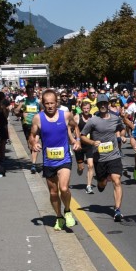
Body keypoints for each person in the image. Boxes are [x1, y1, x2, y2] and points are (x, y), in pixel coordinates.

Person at [27, 89, 80, 231]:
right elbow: (31, 135)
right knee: (53, 192)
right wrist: (34, 143)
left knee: (64, 188)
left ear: (56, 103)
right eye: (46, 104)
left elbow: (76, 127)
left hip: (64, 158)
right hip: (48, 160)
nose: (50, 106)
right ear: (43, 104)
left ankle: (67, 211)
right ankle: (58, 216)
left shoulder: (66, 115)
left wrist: (78, 141)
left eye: (52, 103)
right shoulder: (38, 118)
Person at [79, 94, 126, 222]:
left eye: (105, 103)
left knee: (117, 180)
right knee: (102, 183)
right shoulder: (93, 120)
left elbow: (122, 128)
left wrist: (122, 136)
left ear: (108, 104)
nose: (103, 106)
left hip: (114, 155)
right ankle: (101, 182)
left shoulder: (115, 118)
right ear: (98, 106)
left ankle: (117, 210)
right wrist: (92, 143)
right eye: (101, 104)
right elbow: (82, 136)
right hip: (99, 157)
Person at [16, 86, 41, 173]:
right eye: (29, 90)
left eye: (32, 90)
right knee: (30, 145)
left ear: (33, 91)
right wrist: (21, 112)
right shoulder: (24, 101)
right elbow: (16, 112)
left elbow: (42, 111)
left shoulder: (38, 101)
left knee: (35, 143)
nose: (30, 92)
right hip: (26, 125)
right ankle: (33, 160)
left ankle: (33, 164)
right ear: (26, 91)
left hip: (36, 124)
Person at [75, 99, 98, 193]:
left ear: (90, 109)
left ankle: (88, 186)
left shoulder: (93, 118)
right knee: (81, 168)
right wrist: (76, 140)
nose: (86, 110)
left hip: (90, 144)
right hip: (80, 145)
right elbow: (72, 128)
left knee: (90, 165)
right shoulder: (77, 117)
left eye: (88, 108)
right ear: (81, 109)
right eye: (84, 108)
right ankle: (79, 168)